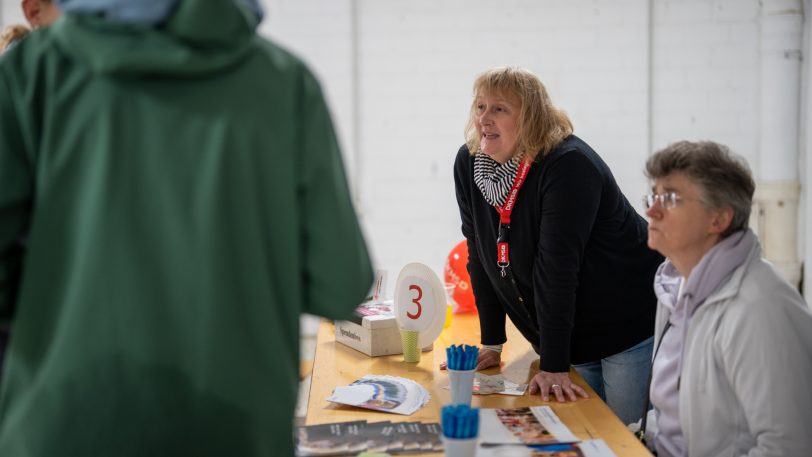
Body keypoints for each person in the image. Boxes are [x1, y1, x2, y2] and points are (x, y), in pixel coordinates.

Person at [0, 1, 373, 455]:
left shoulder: (31, 70)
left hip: (66, 422)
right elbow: (340, 285)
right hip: (231, 426)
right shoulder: (284, 81)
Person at [451, 66, 662, 425]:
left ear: (531, 117)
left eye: (500, 109)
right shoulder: (470, 163)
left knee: (622, 434)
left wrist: (553, 365)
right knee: (580, 428)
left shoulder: (567, 165)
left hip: (625, 321)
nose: (485, 118)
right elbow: (479, 252)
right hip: (566, 328)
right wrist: (492, 342)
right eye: (481, 106)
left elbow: (557, 268)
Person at [642, 141, 812, 456]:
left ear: (718, 220)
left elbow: (790, 447)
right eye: (654, 196)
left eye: (670, 198)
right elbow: (676, 418)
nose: (651, 210)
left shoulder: (762, 308)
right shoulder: (676, 285)